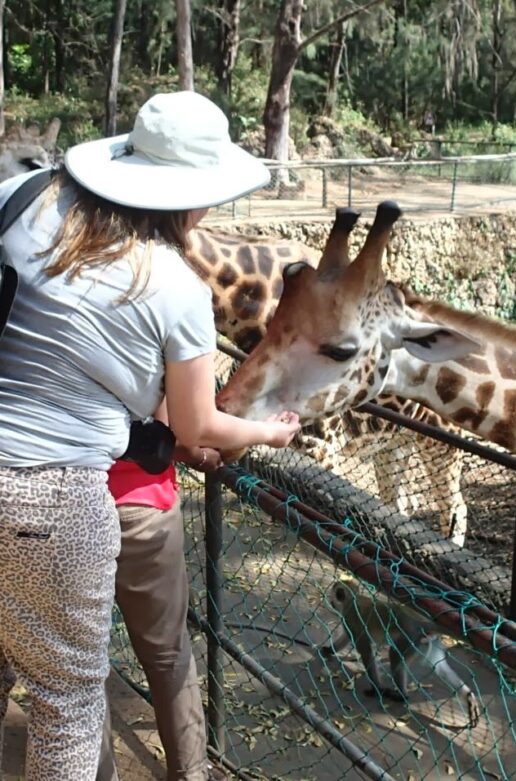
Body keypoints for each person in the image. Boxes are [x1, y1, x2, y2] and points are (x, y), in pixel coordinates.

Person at [0, 91, 301, 781]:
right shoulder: (174, 285)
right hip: (54, 499)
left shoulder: (23, 201)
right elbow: (196, 426)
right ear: (195, 197)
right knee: (66, 703)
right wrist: (265, 431)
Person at [95, 437, 226, 781]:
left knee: (81, 663)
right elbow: (183, 432)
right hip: (143, 503)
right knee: (168, 652)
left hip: (64, 502)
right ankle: (192, 774)